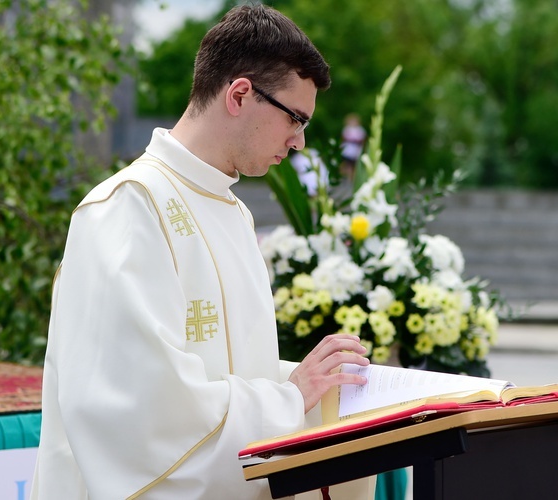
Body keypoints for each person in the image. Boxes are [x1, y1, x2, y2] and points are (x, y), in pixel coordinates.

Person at [30, 5, 371, 499]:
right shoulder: (129, 207)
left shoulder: (233, 213)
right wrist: (290, 398)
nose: (299, 142)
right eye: (296, 118)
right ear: (239, 94)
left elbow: (231, 373)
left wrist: (322, 386)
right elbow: (138, 410)